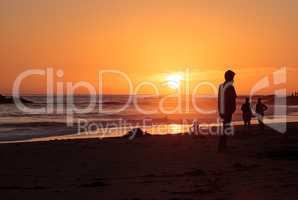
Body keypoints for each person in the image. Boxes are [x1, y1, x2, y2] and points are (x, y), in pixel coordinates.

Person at [218, 70, 237, 152]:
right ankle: (221, 146)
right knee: (226, 128)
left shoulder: (221, 86)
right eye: (232, 77)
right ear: (229, 77)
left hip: (224, 110)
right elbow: (233, 98)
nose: (233, 78)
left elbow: (219, 100)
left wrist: (220, 110)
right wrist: (233, 108)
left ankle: (223, 145)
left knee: (225, 127)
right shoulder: (230, 86)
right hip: (228, 110)